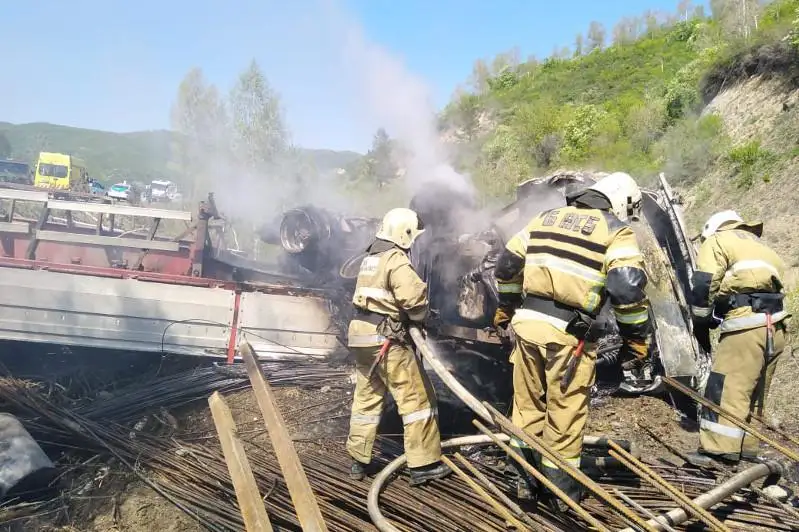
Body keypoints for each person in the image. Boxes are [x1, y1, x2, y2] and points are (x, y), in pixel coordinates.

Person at [493, 172, 652, 508]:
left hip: (527, 326)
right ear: (622, 202)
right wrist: (635, 340)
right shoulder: (615, 230)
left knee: (526, 406)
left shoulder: (544, 218)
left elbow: (506, 264)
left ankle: (523, 480)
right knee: (564, 412)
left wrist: (506, 308)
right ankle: (561, 491)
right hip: (568, 336)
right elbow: (626, 287)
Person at [345, 207, 451, 486]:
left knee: (366, 399)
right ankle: (423, 464)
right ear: (404, 233)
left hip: (361, 336)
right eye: (413, 236)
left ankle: (358, 460)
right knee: (416, 399)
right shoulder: (395, 259)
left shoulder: (371, 258)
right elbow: (413, 299)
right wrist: (424, 318)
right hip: (386, 339)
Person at [686, 210, 790, 467]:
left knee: (727, 388)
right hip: (775, 327)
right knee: (755, 392)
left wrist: (701, 319)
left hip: (746, 326)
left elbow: (704, 282)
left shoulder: (718, 241)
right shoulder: (762, 247)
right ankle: (747, 449)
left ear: (713, 229)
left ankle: (718, 451)